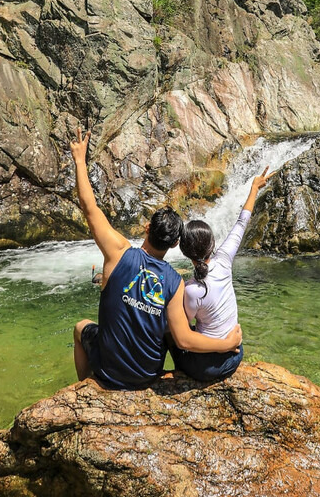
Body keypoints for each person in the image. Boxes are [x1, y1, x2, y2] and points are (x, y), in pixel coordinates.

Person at [70, 127, 242, 389]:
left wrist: (80, 160)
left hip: (109, 373)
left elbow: (89, 206)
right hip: (146, 375)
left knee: (81, 327)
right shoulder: (174, 283)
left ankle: (86, 386)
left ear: (146, 228)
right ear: (175, 244)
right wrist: (226, 344)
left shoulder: (117, 252)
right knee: (169, 326)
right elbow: (183, 339)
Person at [171, 167, 273, 381]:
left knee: (169, 328)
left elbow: (185, 330)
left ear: (184, 252)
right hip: (236, 354)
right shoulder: (224, 261)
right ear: (212, 244)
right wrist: (254, 188)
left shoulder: (191, 289)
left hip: (208, 368)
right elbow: (241, 222)